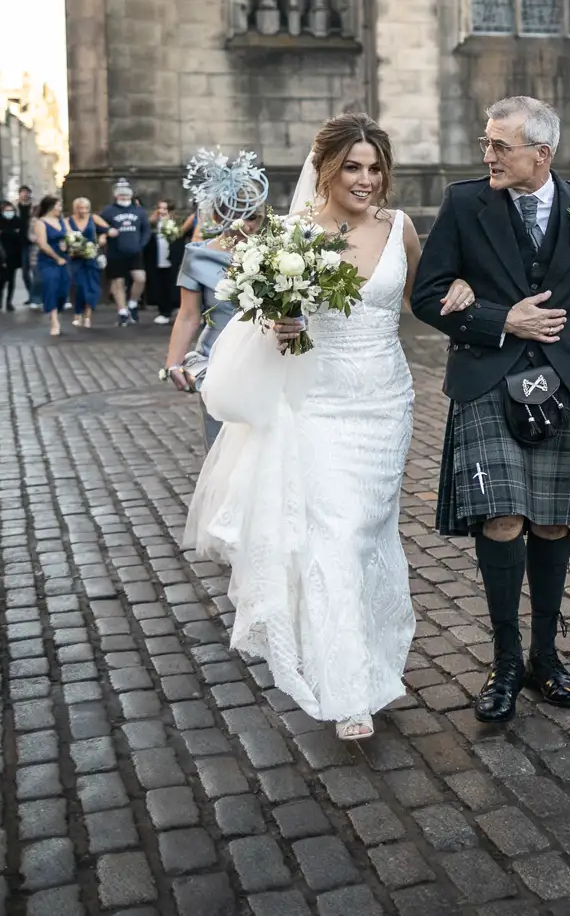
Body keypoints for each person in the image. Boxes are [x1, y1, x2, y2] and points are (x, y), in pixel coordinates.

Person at [412, 96, 570, 723]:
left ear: (541, 153)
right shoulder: (464, 203)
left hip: (567, 381)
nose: (488, 155)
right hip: (487, 378)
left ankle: (546, 658)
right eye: (486, 143)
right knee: (501, 517)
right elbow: (426, 295)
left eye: (500, 146)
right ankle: (504, 660)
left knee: (553, 521)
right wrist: (503, 319)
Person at [186, 115, 422, 742]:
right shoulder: (290, 236)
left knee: (371, 537)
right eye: (353, 166)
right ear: (325, 167)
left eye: (375, 168)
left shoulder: (401, 229)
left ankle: (377, 659)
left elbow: (421, 302)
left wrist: (462, 292)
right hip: (318, 404)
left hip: (386, 404)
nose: (366, 179)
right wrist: (279, 327)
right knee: (335, 541)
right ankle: (349, 688)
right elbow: (265, 323)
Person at [163, 150, 271, 447]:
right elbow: (188, 316)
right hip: (217, 361)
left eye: (254, 218)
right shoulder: (198, 256)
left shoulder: (273, 253)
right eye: (241, 217)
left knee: (263, 448)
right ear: (221, 215)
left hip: (265, 360)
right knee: (222, 446)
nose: (248, 227)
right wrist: (173, 364)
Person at [99, 179, 153, 325]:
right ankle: (122, 311)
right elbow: (98, 224)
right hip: (116, 251)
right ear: (116, 195)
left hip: (135, 251)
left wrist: (141, 244)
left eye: (126, 195)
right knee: (118, 282)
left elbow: (146, 230)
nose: (123, 197)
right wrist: (106, 232)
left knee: (140, 278)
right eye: (121, 195)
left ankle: (133, 303)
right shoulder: (108, 211)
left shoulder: (139, 211)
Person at [32, 197, 71, 337]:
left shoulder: (63, 221)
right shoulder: (41, 223)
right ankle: (54, 320)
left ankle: (57, 309)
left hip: (64, 258)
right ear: (51, 207)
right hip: (48, 260)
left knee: (63, 290)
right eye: (58, 206)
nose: (60, 208)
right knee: (51, 286)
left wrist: (69, 245)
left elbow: (71, 236)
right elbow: (42, 244)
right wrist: (56, 258)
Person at [64, 197, 106, 329]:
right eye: (80, 208)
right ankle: (78, 313)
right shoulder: (67, 221)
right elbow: (64, 235)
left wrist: (103, 237)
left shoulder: (93, 218)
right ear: (75, 209)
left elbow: (107, 229)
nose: (83, 211)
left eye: (85, 208)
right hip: (75, 259)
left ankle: (88, 315)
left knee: (92, 288)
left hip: (91, 258)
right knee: (78, 287)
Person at [146, 198, 183, 324]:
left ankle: (175, 307)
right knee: (160, 283)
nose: (161, 211)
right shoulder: (154, 223)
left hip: (172, 257)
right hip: (158, 257)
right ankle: (164, 311)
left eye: (164, 208)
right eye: (159, 208)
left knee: (173, 282)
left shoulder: (176, 222)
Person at [0, 199, 25, 312]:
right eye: (6, 210)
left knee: (11, 279)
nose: (9, 212)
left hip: (14, 255)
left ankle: (8, 302)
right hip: (1, 254)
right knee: (2, 279)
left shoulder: (18, 221)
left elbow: (20, 236)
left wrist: (7, 233)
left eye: (11, 210)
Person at [16, 184, 38, 308]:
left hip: (33, 243)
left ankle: (35, 297)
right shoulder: (15, 207)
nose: (24, 194)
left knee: (35, 270)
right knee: (25, 272)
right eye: (22, 192)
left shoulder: (34, 207)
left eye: (26, 192)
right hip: (21, 243)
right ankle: (31, 295)